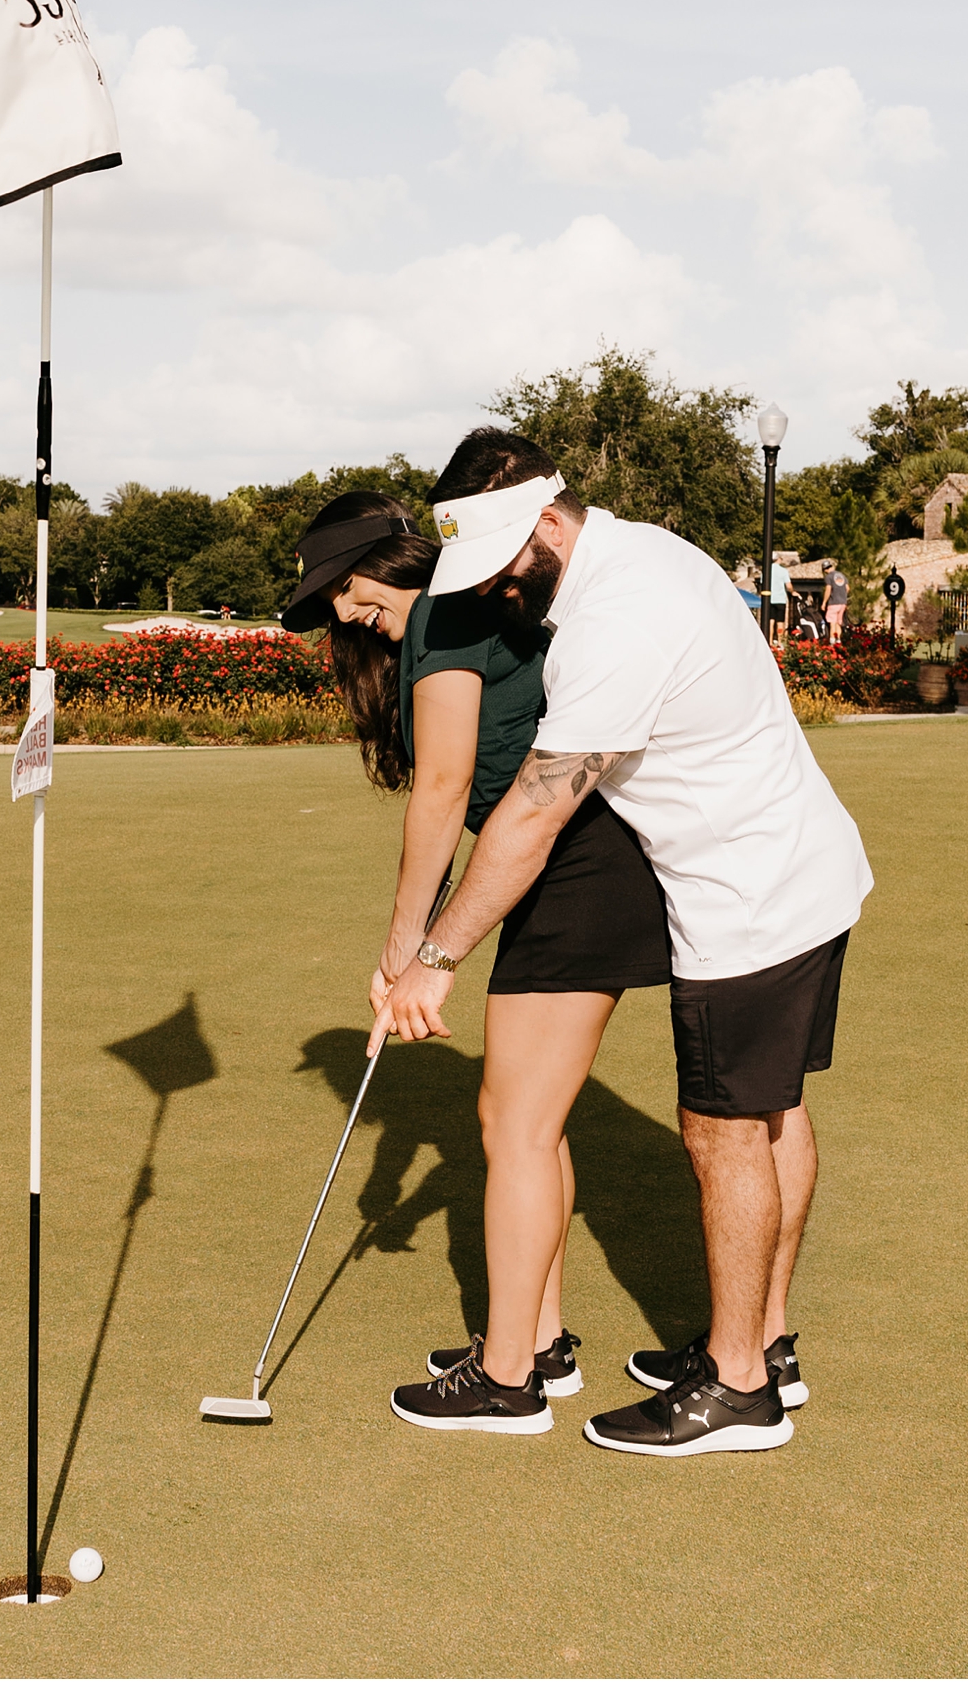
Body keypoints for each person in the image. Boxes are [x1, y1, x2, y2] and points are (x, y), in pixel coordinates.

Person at [373, 429, 872, 1457]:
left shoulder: (617, 615)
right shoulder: (643, 553)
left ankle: (735, 1389)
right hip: (799, 870)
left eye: (505, 559)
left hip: (748, 896)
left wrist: (435, 953)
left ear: (545, 521)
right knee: (772, 1114)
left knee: (722, 1129)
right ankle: (761, 1344)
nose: (500, 582)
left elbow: (528, 817)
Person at [282, 490, 671, 1435]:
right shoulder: (438, 624)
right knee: (528, 1117)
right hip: (549, 870)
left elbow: (444, 791)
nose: (340, 611)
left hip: (582, 863)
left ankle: (508, 1382)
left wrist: (411, 951)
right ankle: (538, 1343)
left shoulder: (452, 614)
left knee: (515, 1122)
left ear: (402, 560)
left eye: (347, 585)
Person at [821, 560, 848, 644]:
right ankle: (839, 641)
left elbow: (828, 590)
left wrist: (824, 602)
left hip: (833, 603)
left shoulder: (829, 577)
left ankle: (832, 642)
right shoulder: (842, 575)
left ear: (825, 570)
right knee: (838, 623)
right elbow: (847, 588)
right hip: (842, 603)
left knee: (832, 623)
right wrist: (842, 596)